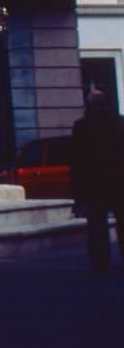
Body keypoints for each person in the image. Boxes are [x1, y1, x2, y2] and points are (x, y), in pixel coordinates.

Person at [70, 87, 124, 271]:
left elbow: (77, 162)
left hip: (94, 186)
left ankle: (100, 262)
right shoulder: (119, 123)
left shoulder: (81, 127)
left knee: (96, 227)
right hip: (118, 182)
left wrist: (78, 195)